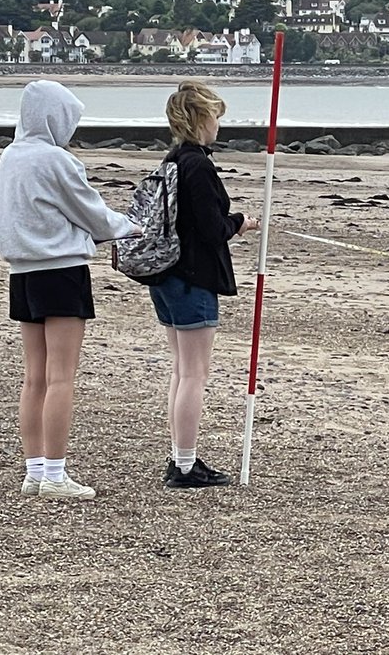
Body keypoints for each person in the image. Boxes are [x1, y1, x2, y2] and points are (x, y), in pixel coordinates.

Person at [0, 80, 139, 501]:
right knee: (61, 377)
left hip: (23, 272)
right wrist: (128, 227)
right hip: (61, 271)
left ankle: (35, 469)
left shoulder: (10, 156)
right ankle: (54, 474)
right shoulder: (56, 160)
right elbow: (91, 212)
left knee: (34, 377)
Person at [148, 80, 259, 489]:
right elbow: (212, 229)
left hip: (167, 276)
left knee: (182, 369)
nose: (218, 124)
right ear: (200, 119)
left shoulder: (172, 160)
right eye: (214, 116)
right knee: (194, 372)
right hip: (191, 276)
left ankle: (180, 456)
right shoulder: (196, 164)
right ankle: (184, 464)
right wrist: (239, 223)